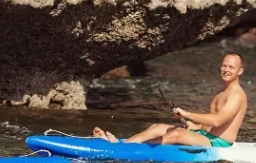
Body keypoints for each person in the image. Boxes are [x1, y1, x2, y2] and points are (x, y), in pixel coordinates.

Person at [93, 53, 247, 147]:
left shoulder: (236, 95)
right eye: (224, 66)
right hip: (204, 135)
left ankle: (126, 149)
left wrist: (186, 114)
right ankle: (121, 144)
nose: (226, 70)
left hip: (218, 143)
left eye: (231, 67)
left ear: (240, 71)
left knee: (176, 134)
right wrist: (192, 124)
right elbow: (209, 123)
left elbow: (217, 121)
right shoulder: (221, 91)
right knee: (157, 127)